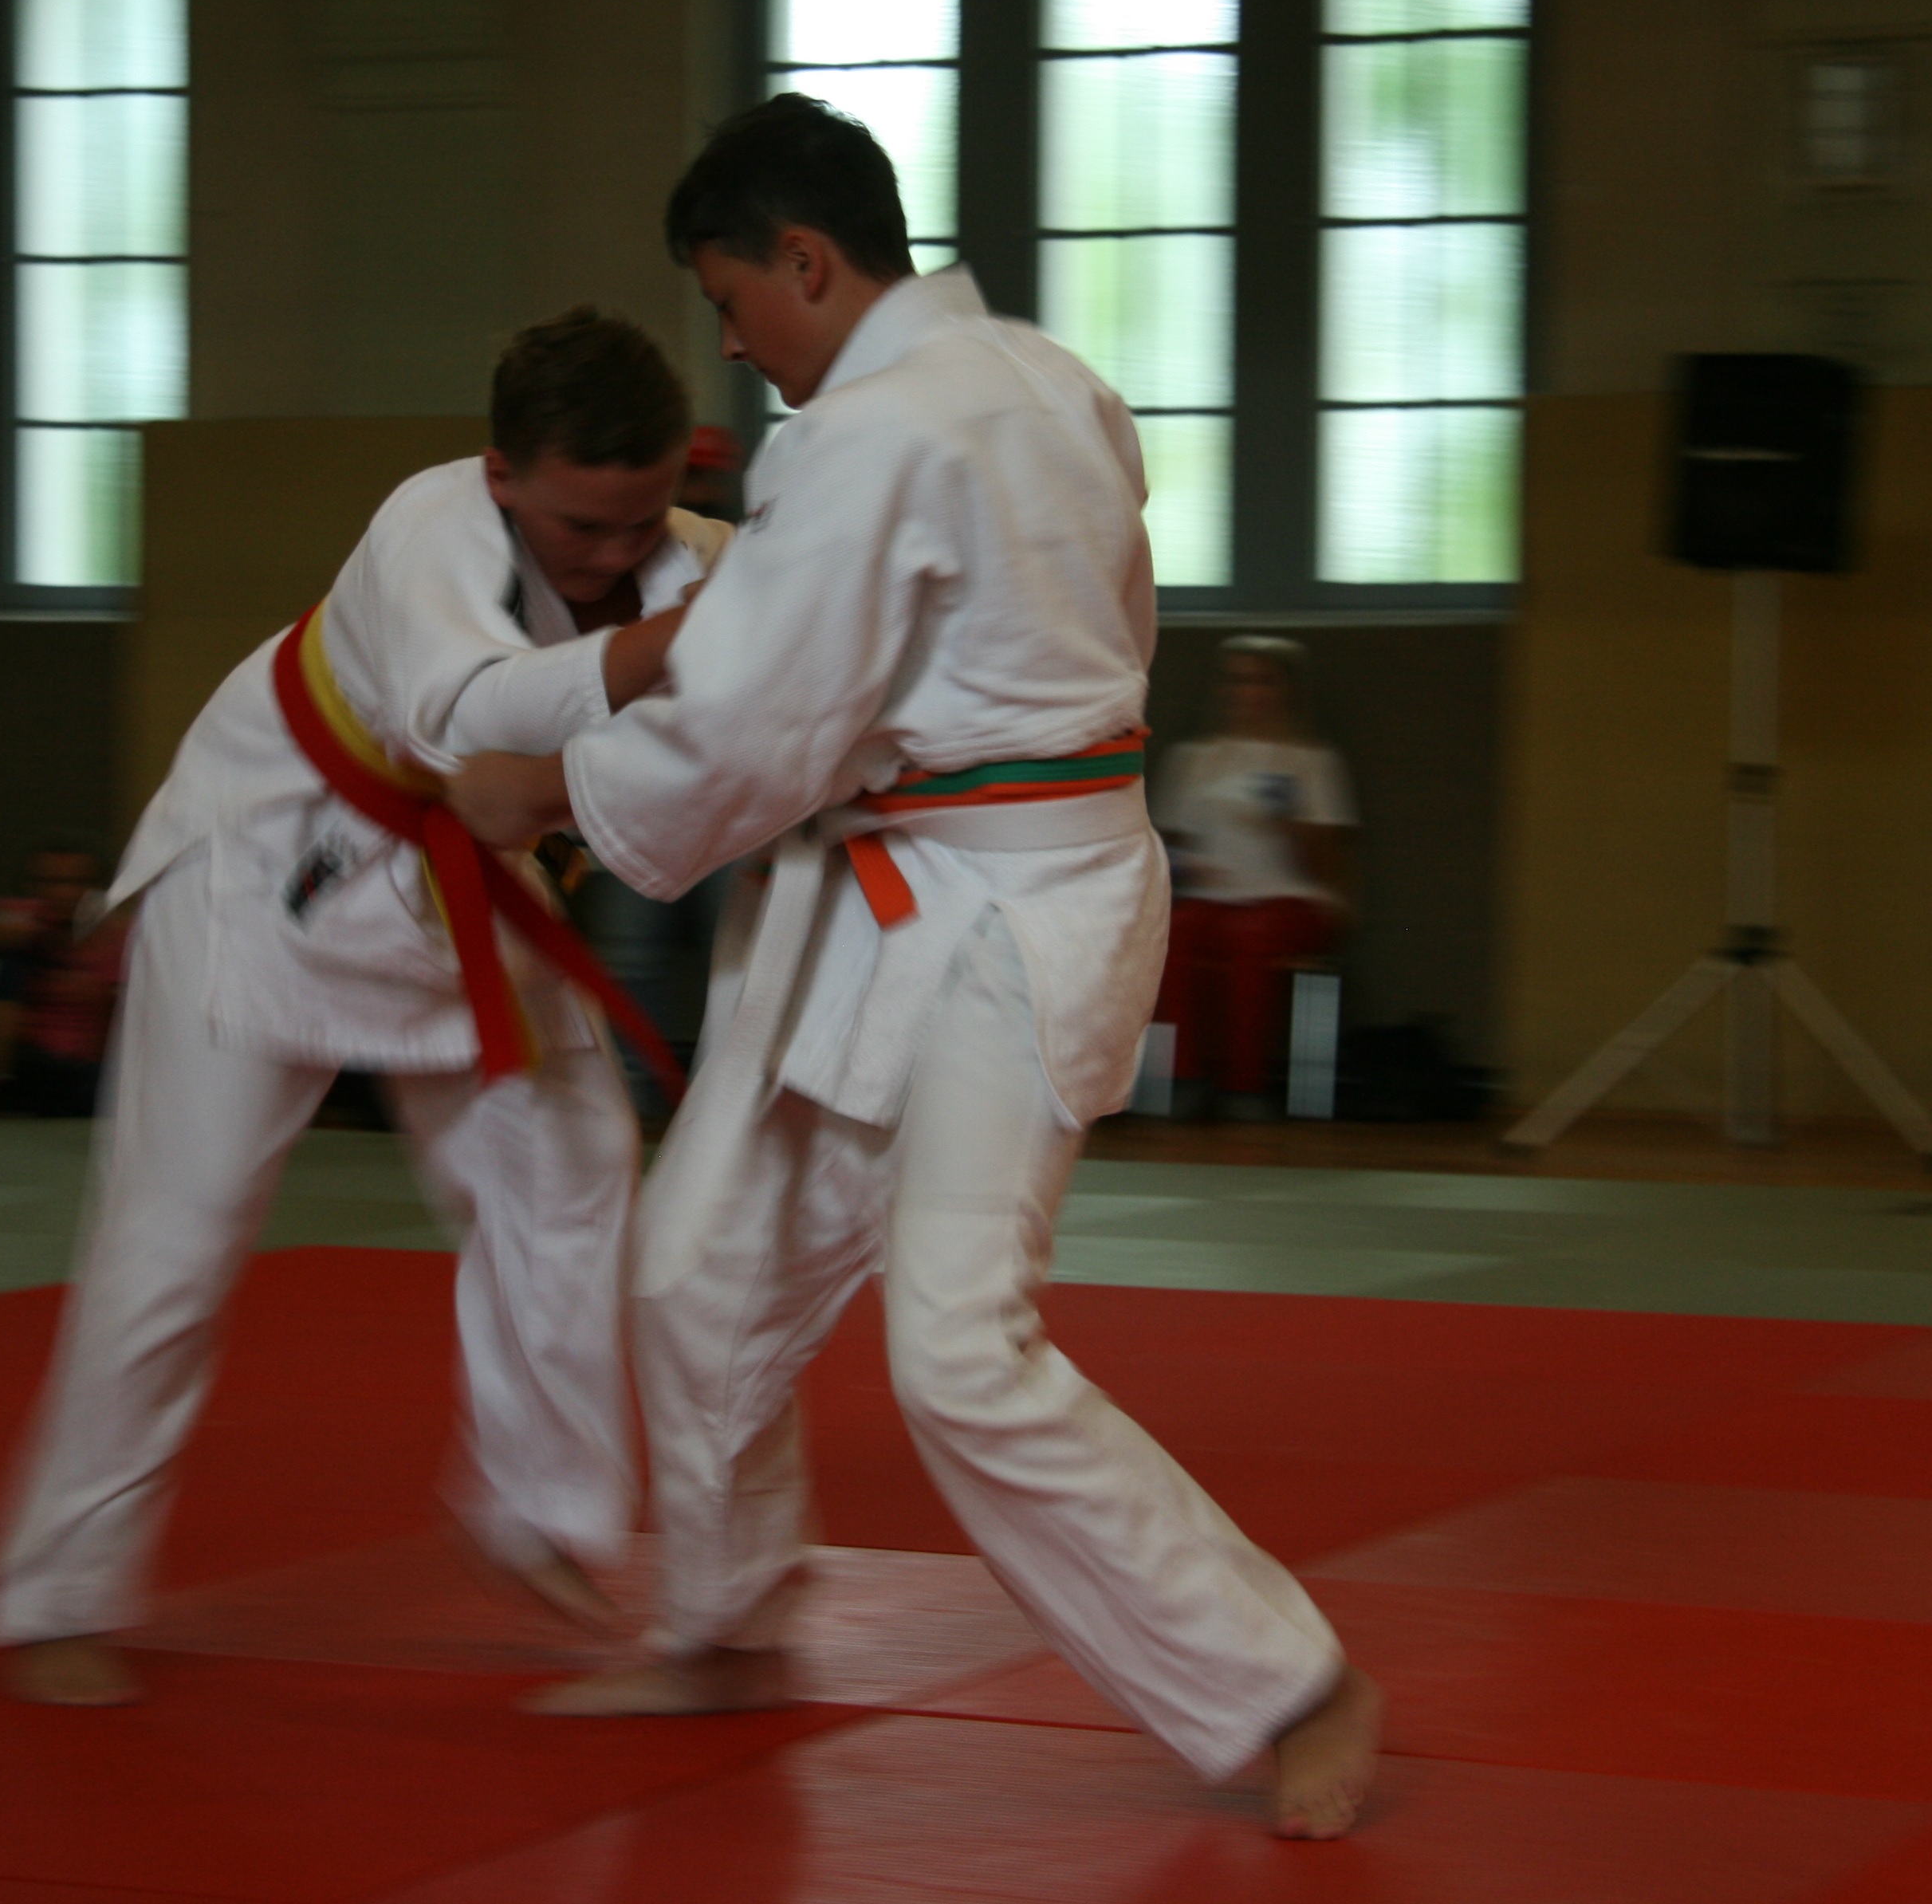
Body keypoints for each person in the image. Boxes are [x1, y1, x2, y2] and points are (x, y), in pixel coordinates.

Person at [447, 96, 1378, 1841]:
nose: (731, 343)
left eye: (732, 300)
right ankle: (725, 1619)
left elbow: (759, 725)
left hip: (1005, 910)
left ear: (804, 260)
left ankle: (1286, 1677)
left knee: (957, 1347)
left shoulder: (864, 439)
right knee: (695, 1265)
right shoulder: (1054, 383)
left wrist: (551, 790)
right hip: (901, 883)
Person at [0, 309, 732, 1709]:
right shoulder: (426, 524)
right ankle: (55, 1591)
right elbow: (470, 718)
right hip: (265, 863)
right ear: (502, 473)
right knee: (177, 1232)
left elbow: (779, 646)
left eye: (639, 521)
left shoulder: (688, 563)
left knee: (571, 1158)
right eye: (580, 525)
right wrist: (681, 646)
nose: (611, 554)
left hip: (455, 880)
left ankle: (539, 1508)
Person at [1150, 635, 1357, 1120]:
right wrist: (1187, 864)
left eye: (1263, 681)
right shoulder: (1193, 760)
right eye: (1239, 681)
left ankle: (1244, 1085)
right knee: (1173, 934)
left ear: (1287, 690)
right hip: (1210, 897)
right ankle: (1183, 1078)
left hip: (1290, 899)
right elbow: (1166, 847)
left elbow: (1332, 866)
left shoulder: (1312, 762)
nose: (1249, 693)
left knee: (1251, 937)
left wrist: (1294, 827)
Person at [0, 836, 128, 1119]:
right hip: (30, 1060)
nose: (64, 893)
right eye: (51, 883)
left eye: (77, 883)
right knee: (9, 964)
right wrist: (39, 937)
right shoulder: (25, 919)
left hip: (93, 1068)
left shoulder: (119, 936)